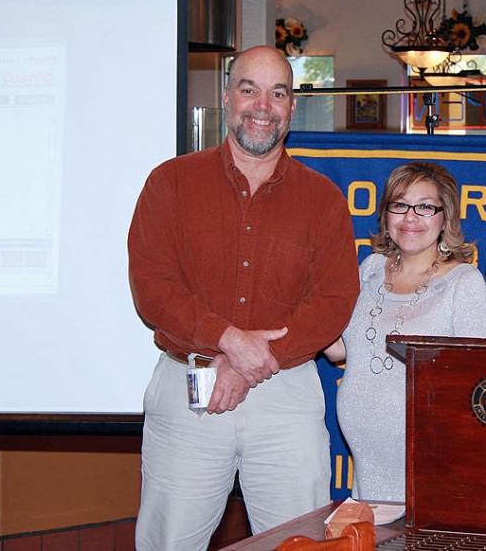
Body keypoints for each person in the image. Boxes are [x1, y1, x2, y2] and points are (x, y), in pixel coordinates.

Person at [127, 45, 360, 551]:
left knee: (300, 544)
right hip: (188, 389)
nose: (262, 105)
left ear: (292, 107)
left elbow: (334, 300)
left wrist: (251, 361)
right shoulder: (170, 182)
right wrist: (229, 340)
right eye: (249, 89)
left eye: (277, 93)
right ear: (227, 97)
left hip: (287, 396)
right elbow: (153, 287)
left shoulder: (322, 199)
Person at [324, 161, 486, 502]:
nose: (410, 218)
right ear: (386, 215)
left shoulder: (464, 283)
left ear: (445, 216)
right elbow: (337, 350)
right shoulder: (370, 269)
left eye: (425, 207)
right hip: (367, 466)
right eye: (399, 205)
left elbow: (481, 384)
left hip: (434, 466)